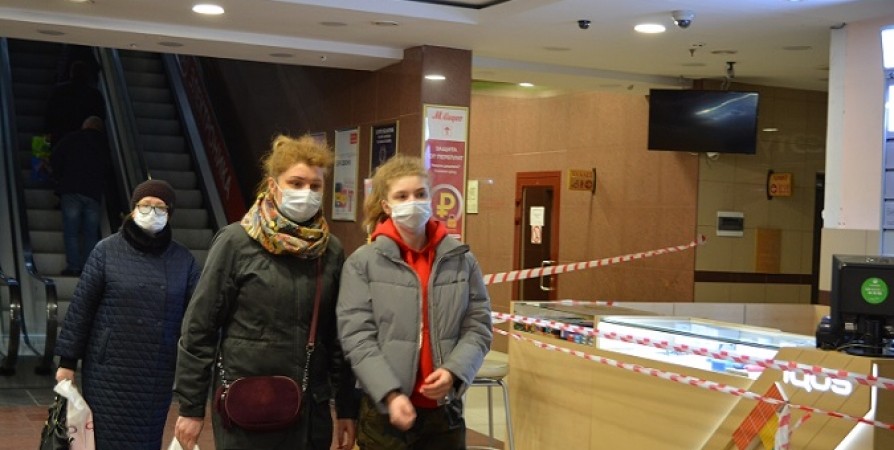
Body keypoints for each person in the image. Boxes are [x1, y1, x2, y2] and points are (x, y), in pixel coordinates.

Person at [173, 134, 359, 450]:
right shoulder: (236, 242)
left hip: (309, 412)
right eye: (296, 183)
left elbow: (338, 338)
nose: (307, 193)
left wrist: (346, 408)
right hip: (250, 407)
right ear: (273, 186)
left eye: (315, 186)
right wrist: (190, 407)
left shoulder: (329, 251)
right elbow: (199, 328)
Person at [336, 155, 493, 450]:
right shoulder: (362, 263)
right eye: (402, 196)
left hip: (444, 414)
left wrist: (455, 371)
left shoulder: (461, 259)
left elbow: (478, 326)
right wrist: (390, 393)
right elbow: (356, 337)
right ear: (386, 205)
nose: (413, 202)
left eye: (420, 194)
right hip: (385, 416)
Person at [54, 179, 201, 450]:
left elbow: (198, 318)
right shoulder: (106, 250)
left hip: (156, 372)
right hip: (108, 372)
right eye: (145, 205)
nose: (152, 212)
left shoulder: (183, 261)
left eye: (160, 207)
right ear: (133, 209)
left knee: (146, 439)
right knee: (103, 439)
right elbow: (81, 308)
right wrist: (67, 362)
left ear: (169, 214)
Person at [50, 116, 111, 276]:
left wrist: (59, 177)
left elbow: (56, 157)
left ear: (85, 125)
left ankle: (74, 266)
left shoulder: (72, 138)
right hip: (94, 193)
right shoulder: (105, 145)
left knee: (71, 231)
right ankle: (88, 270)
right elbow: (109, 169)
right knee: (91, 233)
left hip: (71, 189)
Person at [45, 60, 105, 147]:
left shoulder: (58, 91)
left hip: (60, 139)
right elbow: (100, 119)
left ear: (71, 73)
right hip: (85, 142)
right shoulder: (95, 95)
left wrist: (40, 153)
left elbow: (48, 119)